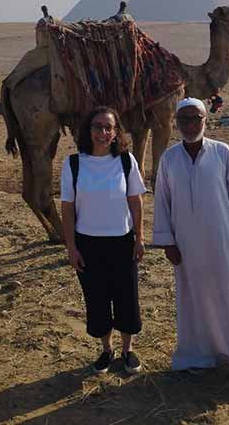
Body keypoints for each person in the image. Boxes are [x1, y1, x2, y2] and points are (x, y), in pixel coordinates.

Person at [152, 97, 229, 391]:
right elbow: (162, 203)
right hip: (186, 246)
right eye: (184, 120)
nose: (190, 125)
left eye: (195, 119)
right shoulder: (169, 159)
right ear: (176, 123)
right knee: (193, 297)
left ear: (206, 120)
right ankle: (197, 356)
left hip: (222, 240)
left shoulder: (223, 153)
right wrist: (167, 242)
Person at [61, 106, 147, 374]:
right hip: (88, 244)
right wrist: (71, 247)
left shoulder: (125, 161)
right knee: (96, 299)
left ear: (115, 132)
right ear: (88, 130)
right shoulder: (73, 164)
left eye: (108, 127)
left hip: (122, 241)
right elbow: (67, 208)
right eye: (97, 126)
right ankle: (106, 350)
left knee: (126, 297)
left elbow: (136, 200)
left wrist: (139, 237)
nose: (103, 132)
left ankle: (127, 350)